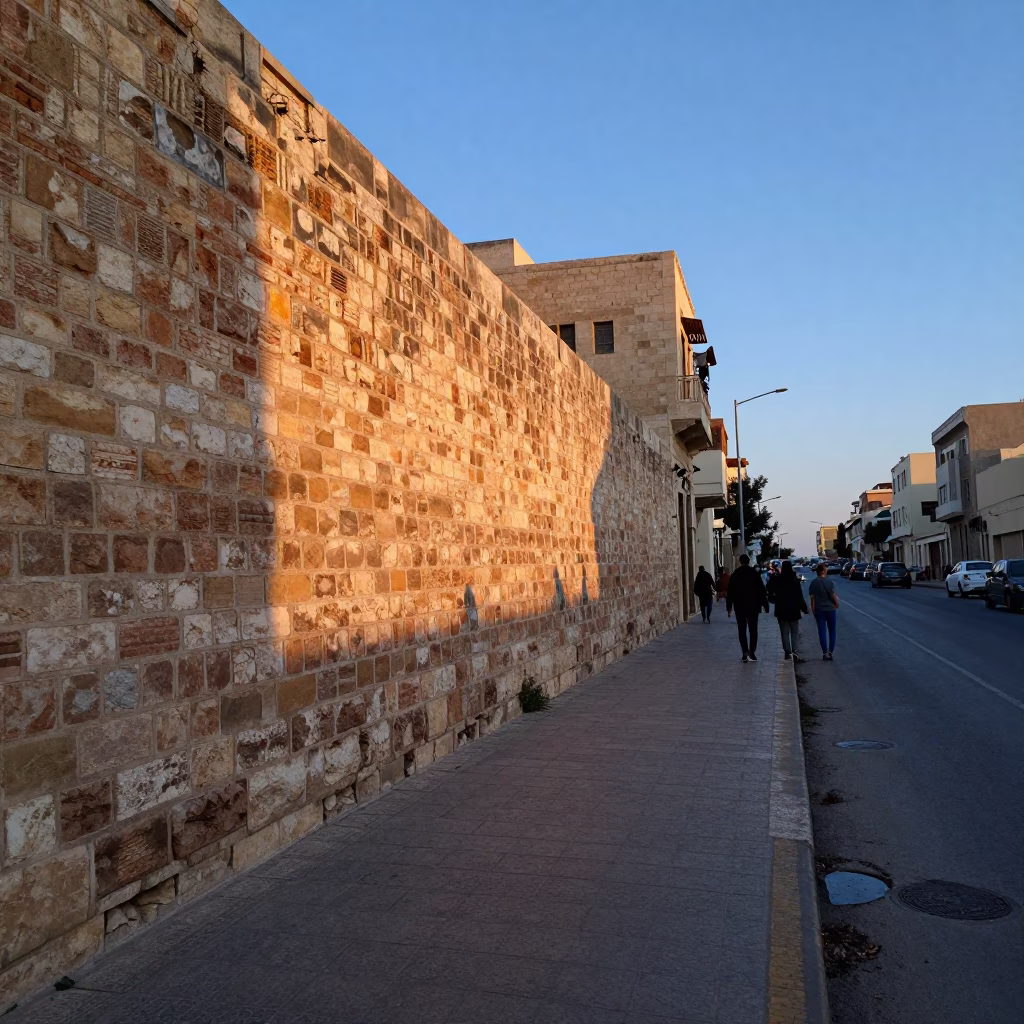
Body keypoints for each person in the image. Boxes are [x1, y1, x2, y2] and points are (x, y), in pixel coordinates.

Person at [726, 554, 770, 663]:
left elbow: (730, 591)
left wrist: (729, 607)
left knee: (742, 629)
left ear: (740, 561)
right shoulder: (754, 573)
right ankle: (752, 653)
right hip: (753, 606)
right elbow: (761, 590)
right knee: (753, 629)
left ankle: (744, 652)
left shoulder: (735, 574)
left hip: (739, 606)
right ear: (748, 561)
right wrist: (765, 605)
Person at [767, 561, 809, 661]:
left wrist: (772, 578)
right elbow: (799, 596)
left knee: (784, 633)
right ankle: (794, 652)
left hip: (781, 610)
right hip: (794, 610)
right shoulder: (795, 580)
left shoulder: (778, 580)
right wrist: (804, 608)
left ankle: (787, 653)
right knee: (794, 632)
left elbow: (769, 589)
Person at [808, 561, 840, 660]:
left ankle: (824, 653)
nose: (826, 570)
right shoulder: (829, 582)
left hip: (819, 610)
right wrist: (837, 603)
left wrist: (813, 610)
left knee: (821, 631)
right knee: (832, 631)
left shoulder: (813, 583)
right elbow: (833, 595)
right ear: (823, 571)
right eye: (825, 569)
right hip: (830, 609)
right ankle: (831, 652)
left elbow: (812, 599)